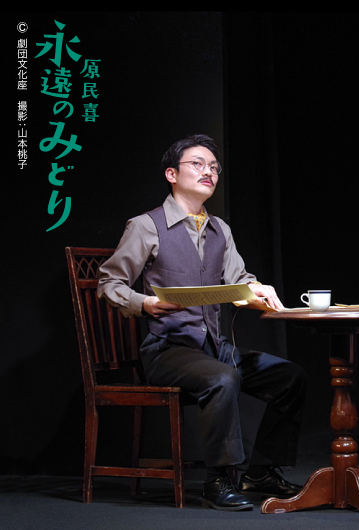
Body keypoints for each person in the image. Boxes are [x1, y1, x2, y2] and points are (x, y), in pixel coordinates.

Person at [98, 134, 307, 511]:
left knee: (289, 376)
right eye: (197, 164)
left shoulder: (220, 230)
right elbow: (109, 283)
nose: (208, 171)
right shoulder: (146, 226)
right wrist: (145, 303)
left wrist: (256, 290)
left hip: (213, 348)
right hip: (167, 350)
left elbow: (239, 280)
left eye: (213, 166)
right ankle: (219, 480)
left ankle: (261, 472)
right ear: (171, 174)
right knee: (223, 378)